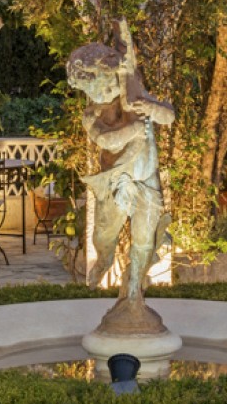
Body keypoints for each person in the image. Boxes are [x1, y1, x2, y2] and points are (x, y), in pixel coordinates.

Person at [63, 22, 173, 307]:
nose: (99, 91)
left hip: (146, 181)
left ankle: (134, 290)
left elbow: (168, 116)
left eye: (102, 83)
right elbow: (106, 140)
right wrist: (135, 129)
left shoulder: (134, 94)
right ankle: (105, 258)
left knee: (144, 239)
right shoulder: (92, 113)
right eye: (91, 88)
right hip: (115, 181)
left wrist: (150, 108)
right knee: (103, 234)